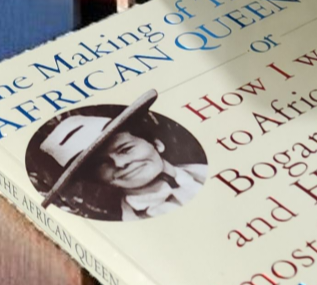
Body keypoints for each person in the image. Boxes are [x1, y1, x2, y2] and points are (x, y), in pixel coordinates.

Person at [38, 91, 207, 222]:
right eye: (102, 163)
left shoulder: (205, 172)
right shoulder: (135, 223)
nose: (120, 163)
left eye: (125, 149)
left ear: (157, 144)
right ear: (97, 179)